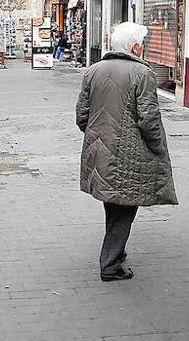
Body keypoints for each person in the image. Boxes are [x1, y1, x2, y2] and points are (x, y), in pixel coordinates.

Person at [76, 22, 178, 281]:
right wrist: (158, 148)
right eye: (142, 43)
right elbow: (148, 119)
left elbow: (82, 115)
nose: (142, 47)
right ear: (135, 46)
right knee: (125, 207)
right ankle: (110, 264)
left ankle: (116, 254)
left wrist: (98, 133)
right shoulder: (142, 74)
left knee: (113, 203)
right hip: (128, 153)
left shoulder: (93, 70)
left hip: (100, 149)